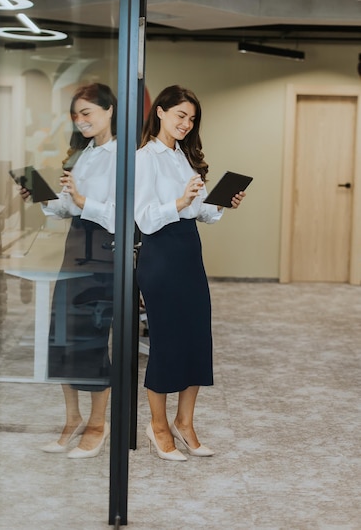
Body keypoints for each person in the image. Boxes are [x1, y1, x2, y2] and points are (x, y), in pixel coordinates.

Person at [134, 85, 245, 461]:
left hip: (187, 251)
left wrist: (221, 203)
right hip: (160, 253)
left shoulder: (184, 157)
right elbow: (145, 219)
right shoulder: (145, 158)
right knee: (167, 341)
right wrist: (178, 202)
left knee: (197, 336)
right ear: (161, 112)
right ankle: (158, 425)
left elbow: (203, 215)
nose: (186, 123)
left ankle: (186, 422)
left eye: (192, 118)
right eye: (181, 115)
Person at [20, 83, 117, 459]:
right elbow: (67, 208)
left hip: (104, 252)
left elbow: (123, 215)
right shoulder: (84, 154)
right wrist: (45, 197)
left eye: (87, 113)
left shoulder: (125, 157)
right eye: (76, 116)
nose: (80, 121)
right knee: (61, 335)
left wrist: (82, 201)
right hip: (75, 248)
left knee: (93, 338)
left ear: (109, 110)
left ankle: (97, 424)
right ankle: (72, 419)